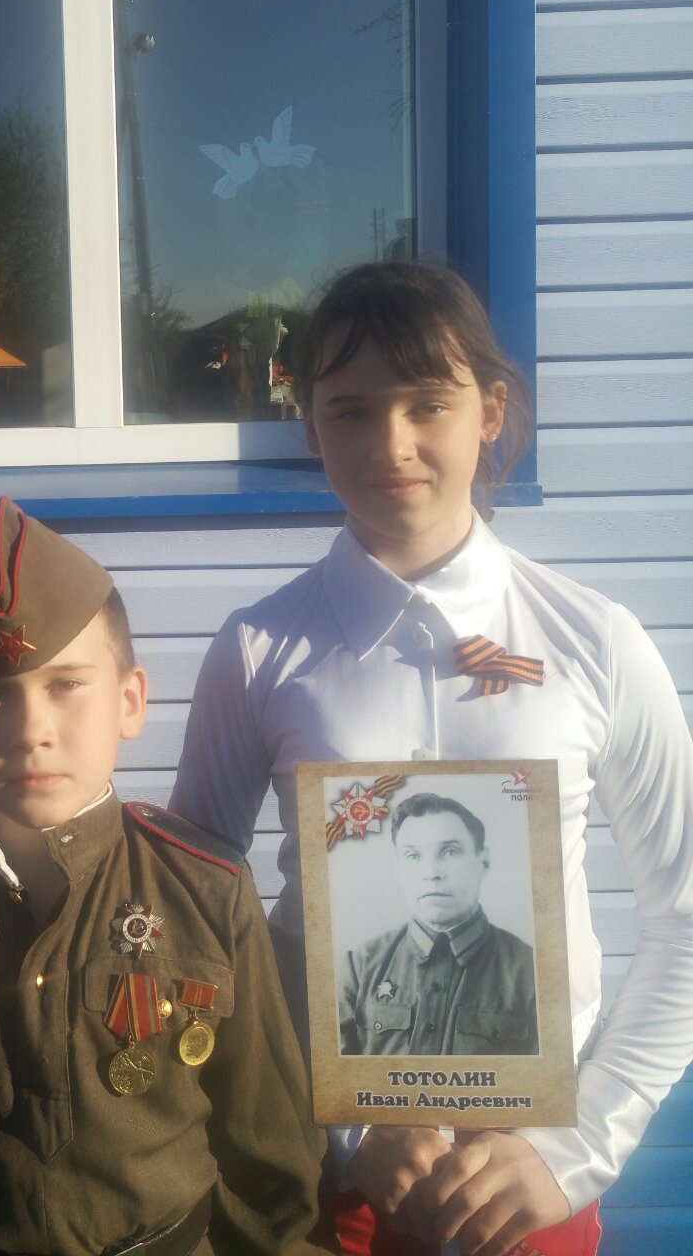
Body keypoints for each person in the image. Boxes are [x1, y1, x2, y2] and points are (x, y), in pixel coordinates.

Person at [171, 261, 693, 1256]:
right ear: (310, 428)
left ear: (491, 410)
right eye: (352, 411)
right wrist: (345, 1127)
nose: (392, 444)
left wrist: (576, 1150)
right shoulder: (258, 652)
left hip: (531, 1180)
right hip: (325, 1182)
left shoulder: (596, 642)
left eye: (428, 404)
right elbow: (196, 924)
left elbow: (686, 919)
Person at [0, 496, 332, 1255]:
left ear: (130, 701)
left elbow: (270, 1153)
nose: (31, 731)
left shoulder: (207, 891)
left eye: (66, 684)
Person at [337, 792, 537, 1059]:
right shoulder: (360, 966)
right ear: (398, 868)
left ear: (483, 861)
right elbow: (335, 1078)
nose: (431, 872)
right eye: (413, 855)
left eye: (450, 851)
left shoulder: (530, 971)